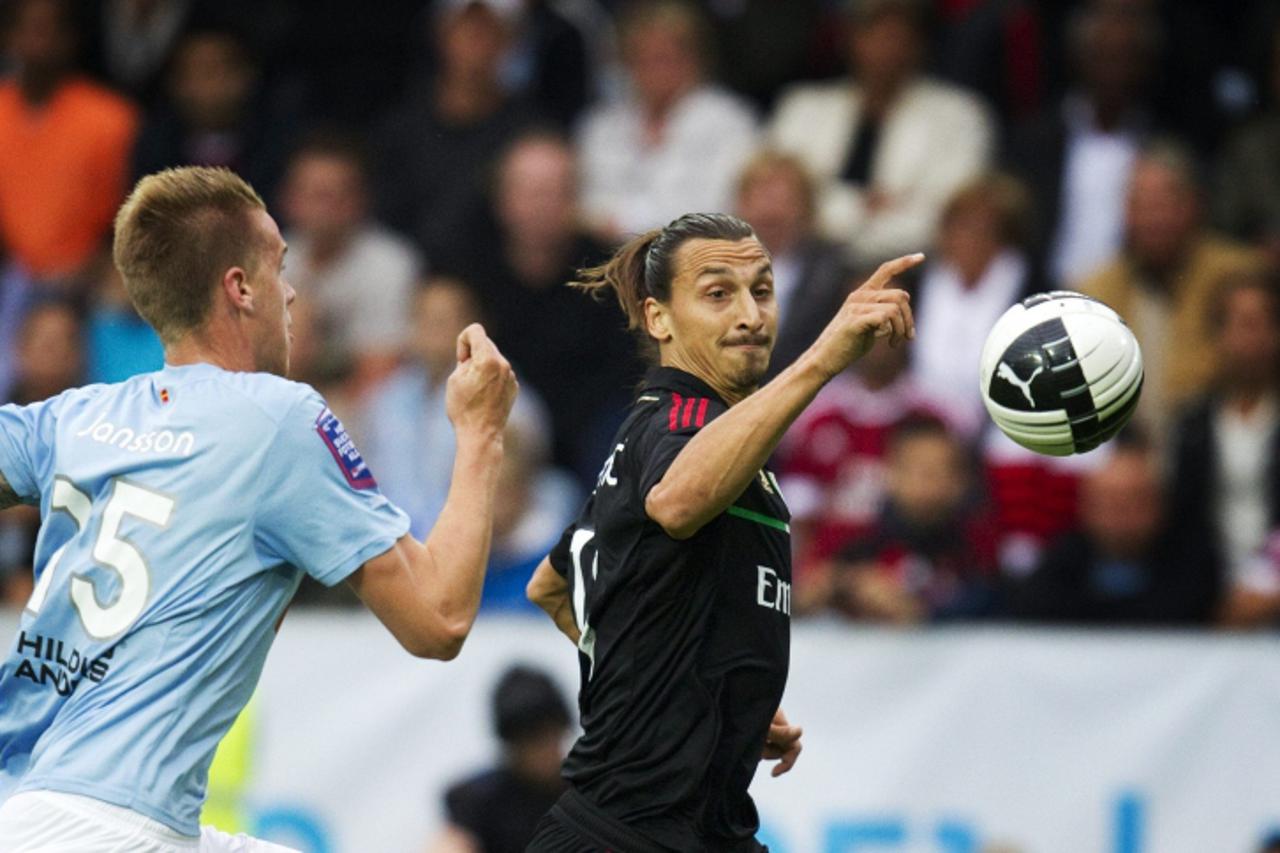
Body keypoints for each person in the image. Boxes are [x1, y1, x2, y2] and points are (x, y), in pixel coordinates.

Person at [0, 165, 518, 850]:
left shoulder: (75, 415)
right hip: (115, 826)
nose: (294, 290)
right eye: (280, 265)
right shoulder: (280, 418)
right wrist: (480, 435)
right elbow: (439, 617)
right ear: (240, 289)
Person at [524, 212, 921, 851]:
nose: (751, 314)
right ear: (659, 319)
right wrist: (824, 357)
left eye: (761, 290)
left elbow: (550, 585)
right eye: (718, 293)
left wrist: (710, 698)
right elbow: (679, 502)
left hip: (706, 832)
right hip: (624, 834)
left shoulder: (691, 438)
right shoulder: (677, 421)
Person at [768, 0, 994, 265]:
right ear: (851, 39)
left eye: (897, 36)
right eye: (873, 32)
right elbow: (773, 202)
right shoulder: (802, 108)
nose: (886, 48)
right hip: (803, 270)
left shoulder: (960, 117)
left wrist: (825, 211)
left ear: (918, 43)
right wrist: (863, 208)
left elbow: (948, 217)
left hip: (914, 270)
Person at [1080, 140, 1263, 434]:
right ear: (1125, 212)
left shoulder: (1239, 276)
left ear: (1194, 205)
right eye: (1141, 205)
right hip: (1125, 450)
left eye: (1164, 204)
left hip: (1220, 444)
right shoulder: (1094, 292)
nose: (1153, 219)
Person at [576, 0, 759, 239]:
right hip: (610, 260)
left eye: (664, 58)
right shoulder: (600, 126)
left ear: (694, 59)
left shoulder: (731, 123)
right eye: (641, 59)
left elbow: (721, 208)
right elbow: (585, 207)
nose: (653, 71)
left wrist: (626, 221)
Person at [1008, 434, 1220, 626]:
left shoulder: (1193, 564)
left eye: (1133, 502)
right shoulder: (1061, 563)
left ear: (1160, 505)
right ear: (1086, 507)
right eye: (1109, 504)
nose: (1121, 517)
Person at [0, 0, 139, 287]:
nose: (37, 41)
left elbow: (130, 214)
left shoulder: (112, 119)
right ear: (8, 36)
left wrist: (90, 267)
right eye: (27, 28)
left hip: (89, 280)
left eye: (49, 29)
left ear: (70, 39)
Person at [815, 416, 998, 623]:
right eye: (917, 469)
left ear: (961, 480)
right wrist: (841, 586)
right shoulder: (860, 543)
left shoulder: (978, 549)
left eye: (940, 471)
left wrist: (918, 613)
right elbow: (806, 595)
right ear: (890, 472)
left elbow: (998, 613)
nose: (928, 483)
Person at [1168, 273, 1280, 609]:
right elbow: (1183, 519)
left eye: (1262, 323)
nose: (1251, 337)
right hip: (1210, 592)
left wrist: (1266, 584)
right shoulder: (1192, 423)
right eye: (1240, 324)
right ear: (1217, 336)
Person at [279, 131, 421, 391]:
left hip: (362, 413)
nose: (326, 208)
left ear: (361, 200)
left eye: (338, 195)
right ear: (290, 198)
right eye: (317, 195)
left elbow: (380, 376)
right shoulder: (270, 258)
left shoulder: (389, 264)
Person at [910, 173, 1040, 437]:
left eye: (982, 230)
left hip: (997, 427)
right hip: (920, 422)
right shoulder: (919, 283)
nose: (968, 239)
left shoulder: (1032, 292)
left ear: (1004, 238)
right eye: (959, 226)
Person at [733, 149, 854, 377]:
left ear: (807, 209)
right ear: (741, 203)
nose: (771, 211)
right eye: (763, 196)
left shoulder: (833, 275)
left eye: (785, 200)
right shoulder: (709, 266)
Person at [429, 666, 572, 853]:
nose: (544, 750)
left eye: (550, 735)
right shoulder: (479, 801)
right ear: (512, 746)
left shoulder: (586, 793)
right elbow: (452, 844)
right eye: (532, 739)